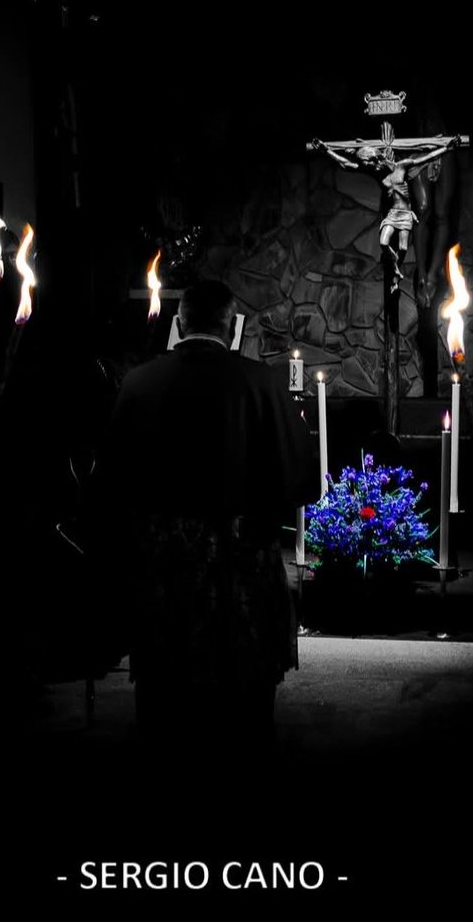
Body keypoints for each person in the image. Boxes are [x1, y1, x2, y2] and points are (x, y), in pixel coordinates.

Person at [88, 279, 312, 757]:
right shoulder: (263, 382)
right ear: (232, 330)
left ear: (179, 324)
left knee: (164, 697)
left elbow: (109, 478)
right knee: (245, 696)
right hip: (241, 564)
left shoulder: (140, 381)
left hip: (164, 567)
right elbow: (300, 476)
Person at [313, 135, 461, 291]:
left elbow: (425, 158)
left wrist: (447, 148)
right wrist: (326, 150)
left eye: (370, 161)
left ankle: (404, 275)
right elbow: (346, 164)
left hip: (404, 214)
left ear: (378, 157)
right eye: (366, 163)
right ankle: (395, 270)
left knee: (404, 247)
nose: (370, 165)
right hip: (391, 216)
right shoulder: (376, 171)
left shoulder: (401, 166)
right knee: (384, 243)